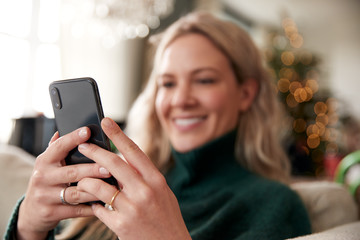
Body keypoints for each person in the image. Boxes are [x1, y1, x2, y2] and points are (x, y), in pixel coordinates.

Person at [5, 12, 311, 240]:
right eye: (167, 83)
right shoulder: (114, 181)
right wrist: (27, 228)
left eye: (204, 80)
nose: (181, 100)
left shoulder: (273, 206)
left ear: (245, 94)